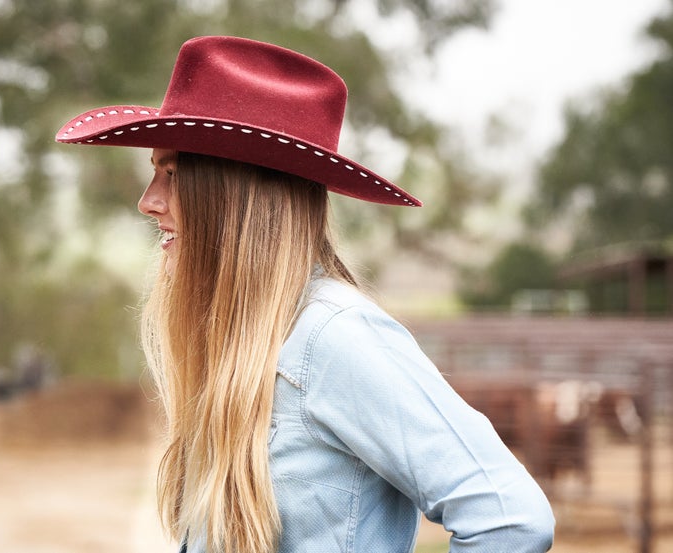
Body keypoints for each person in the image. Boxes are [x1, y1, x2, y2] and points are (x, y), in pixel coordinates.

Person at [56, 36, 554, 553]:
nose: (148, 201)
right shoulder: (250, 339)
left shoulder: (335, 337)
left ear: (237, 194)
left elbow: (510, 518)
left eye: (173, 173)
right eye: (154, 173)